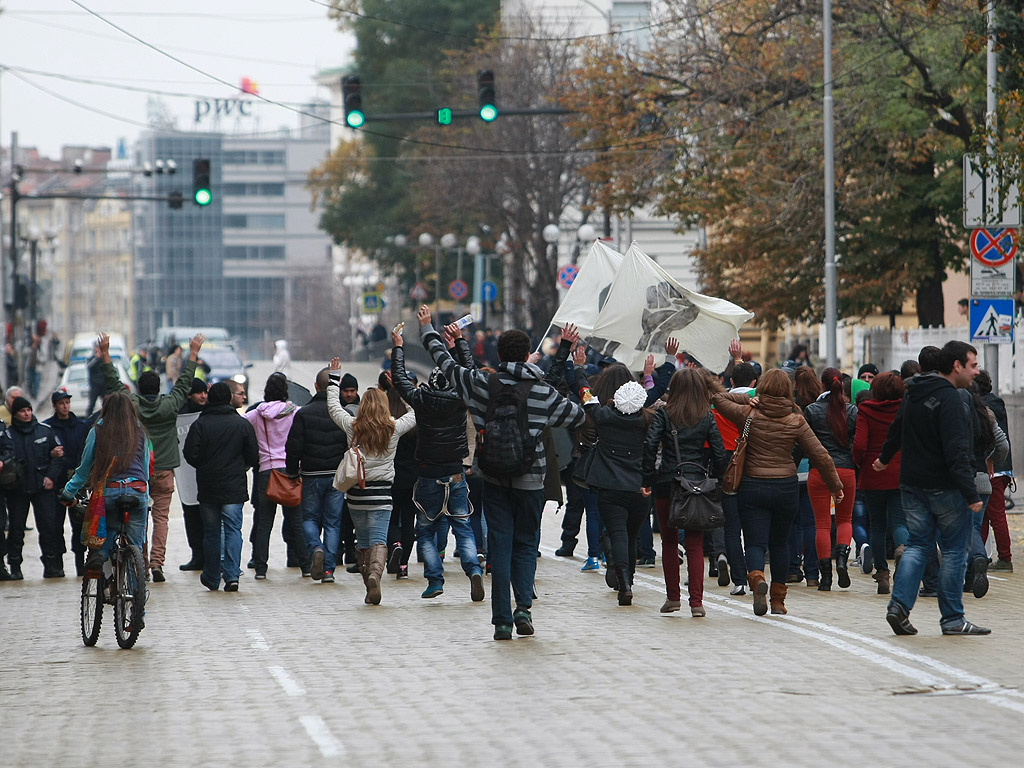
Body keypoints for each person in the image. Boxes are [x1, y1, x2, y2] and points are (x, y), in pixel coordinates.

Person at [419, 306, 585, 640]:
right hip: (531, 481)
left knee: (501, 546)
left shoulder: (482, 384)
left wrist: (428, 329)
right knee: (526, 545)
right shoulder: (541, 392)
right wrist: (567, 362)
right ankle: (523, 608)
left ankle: (502, 621)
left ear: (498, 354)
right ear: (528, 355)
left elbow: (447, 364)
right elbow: (576, 416)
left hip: (492, 478)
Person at [878, 341, 990, 636]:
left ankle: (899, 607)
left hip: (912, 484)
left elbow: (896, 429)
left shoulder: (914, 392)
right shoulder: (952, 400)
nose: (976, 372)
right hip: (946, 488)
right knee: (954, 551)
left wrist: (884, 458)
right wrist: (970, 493)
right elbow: (956, 450)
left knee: (918, 545)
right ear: (956, 366)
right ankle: (953, 619)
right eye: (973, 365)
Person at [712, 370, 842, 616]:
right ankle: (779, 601)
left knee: (755, 542)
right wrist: (835, 486)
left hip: (752, 485)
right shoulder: (796, 419)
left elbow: (718, 398)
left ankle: (757, 577)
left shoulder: (749, 414)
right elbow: (821, 455)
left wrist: (750, 398)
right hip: (785, 486)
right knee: (781, 544)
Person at [390, 327, 484, 602]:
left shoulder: (421, 399)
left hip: (428, 473)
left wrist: (399, 347)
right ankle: (474, 570)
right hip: (455, 472)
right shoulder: (460, 399)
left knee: (427, 531)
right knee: (463, 527)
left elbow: (399, 380)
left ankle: (434, 581)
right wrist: (459, 343)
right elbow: (469, 371)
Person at [101, 331, 203, 583]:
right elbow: (184, 382)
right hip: (166, 469)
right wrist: (193, 353)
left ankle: (141, 563)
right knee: (161, 519)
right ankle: (158, 561)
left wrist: (105, 355)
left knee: (139, 520)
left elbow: (114, 385)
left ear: (138, 386)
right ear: (158, 388)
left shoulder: (131, 405)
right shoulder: (170, 405)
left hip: (137, 471)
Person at [327, 361, 416, 605]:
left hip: (357, 494)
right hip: (383, 495)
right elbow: (416, 412)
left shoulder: (352, 426)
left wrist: (334, 377)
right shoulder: (394, 428)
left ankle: (369, 583)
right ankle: (376, 575)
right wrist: (401, 386)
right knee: (378, 539)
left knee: (363, 540)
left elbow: (334, 407)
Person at [643, 368, 727, 615]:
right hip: (697, 484)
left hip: (667, 482)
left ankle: (673, 598)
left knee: (669, 542)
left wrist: (647, 477)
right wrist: (717, 478)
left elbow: (650, 445)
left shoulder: (665, 414)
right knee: (695, 544)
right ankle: (697, 603)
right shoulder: (707, 416)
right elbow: (720, 451)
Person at [58, 391, 151, 581]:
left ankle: (100, 556)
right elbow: (146, 469)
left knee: (108, 529)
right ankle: (137, 605)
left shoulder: (97, 431)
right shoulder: (140, 430)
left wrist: (68, 492)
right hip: (137, 491)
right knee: (136, 546)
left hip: (110, 492)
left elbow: (84, 470)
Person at [184, 381, 258, 592]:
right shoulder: (242, 424)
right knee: (234, 530)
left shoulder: (200, 423)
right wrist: (240, 466)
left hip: (208, 487)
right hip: (234, 487)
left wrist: (204, 466)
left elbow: (190, 453)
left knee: (211, 532)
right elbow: (253, 455)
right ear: (227, 398)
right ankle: (233, 575)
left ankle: (212, 576)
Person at [285, 367, 348, 585]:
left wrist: (292, 472)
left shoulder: (303, 413)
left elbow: (293, 447)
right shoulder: (342, 414)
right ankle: (329, 570)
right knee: (333, 522)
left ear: (315, 387)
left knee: (309, 518)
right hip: (336, 477)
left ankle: (316, 547)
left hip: (311, 474)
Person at [803, 367, 858, 591]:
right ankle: (842, 560)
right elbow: (856, 444)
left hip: (819, 472)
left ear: (822, 385)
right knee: (845, 519)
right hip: (846, 471)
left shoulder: (811, 410)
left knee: (822, 524)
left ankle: (825, 577)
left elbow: (805, 443)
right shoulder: (852, 411)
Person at [852, 372, 907, 595]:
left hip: (874, 471)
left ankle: (882, 573)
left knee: (876, 525)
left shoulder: (866, 410)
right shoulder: (906, 407)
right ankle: (902, 548)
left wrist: (860, 464)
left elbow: (859, 445)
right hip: (901, 471)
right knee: (899, 522)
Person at [244, 373, 302, 581]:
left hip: (266, 472)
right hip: (289, 471)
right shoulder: (295, 412)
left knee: (264, 523)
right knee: (296, 519)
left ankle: (260, 567)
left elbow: (239, 425)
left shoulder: (256, 414)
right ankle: (305, 564)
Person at [0, 396, 64, 578]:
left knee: (48, 527)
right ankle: (15, 566)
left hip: (43, 488)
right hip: (17, 490)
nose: (26, 414)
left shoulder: (45, 431)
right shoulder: (8, 435)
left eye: (28, 410)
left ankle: (51, 565)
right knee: (16, 529)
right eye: (22, 411)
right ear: (15, 414)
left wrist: (51, 477)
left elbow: (58, 457)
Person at [43, 389, 94, 576]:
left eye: (67, 402)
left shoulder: (81, 426)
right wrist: (51, 455)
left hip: (78, 483)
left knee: (79, 524)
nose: (65, 406)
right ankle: (57, 565)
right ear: (55, 406)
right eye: (61, 403)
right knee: (55, 525)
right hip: (57, 483)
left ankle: (81, 565)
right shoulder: (48, 428)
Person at [975, 370, 1013, 572]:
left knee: (994, 515)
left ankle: (1005, 558)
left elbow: (996, 442)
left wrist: (991, 462)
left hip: (993, 469)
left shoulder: (983, 408)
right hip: (1002, 468)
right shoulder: (997, 403)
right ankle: (979, 555)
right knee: (984, 516)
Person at [177, 378, 208, 571]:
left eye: (205, 392)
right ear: (190, 395)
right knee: (191, 516)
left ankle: (210, 555)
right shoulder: (181, 415)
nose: (203, 396)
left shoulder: (210, 411)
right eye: (199, 393)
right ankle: (197, 555)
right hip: (186, 476)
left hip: (207, 474)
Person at [85, 345, 107, 416]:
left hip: (104, 385)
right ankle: (88, 419)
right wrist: (96, 358)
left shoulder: (104, 359)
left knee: (106, 403)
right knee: (92, 404)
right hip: (95, 385)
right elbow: (89, 367)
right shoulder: (91, 359)